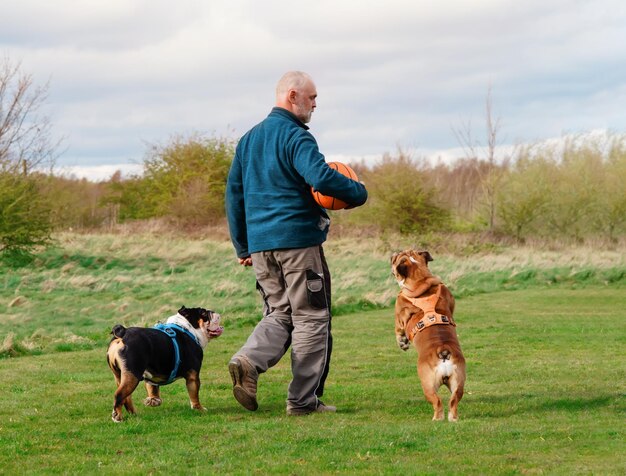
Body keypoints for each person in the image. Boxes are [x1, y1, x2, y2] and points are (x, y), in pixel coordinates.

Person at [225, 71, 368, 416]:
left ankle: (248, 360)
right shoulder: (296, 137)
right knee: (311, 318)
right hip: (299, 245)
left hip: (261, 248)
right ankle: (302, 402)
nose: (316, 104)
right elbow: (320, 176)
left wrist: (244, 246)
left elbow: (234, 195)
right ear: (293, 96)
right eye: (313, 98)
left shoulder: (248, 140)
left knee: (279, 313)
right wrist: (358, 192)